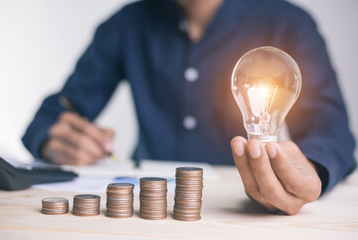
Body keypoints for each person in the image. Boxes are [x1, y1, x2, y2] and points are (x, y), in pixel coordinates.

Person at [22, 0, 356, 215]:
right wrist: (52, 139)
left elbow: (332, 130)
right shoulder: (126, 24)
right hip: (148, 213)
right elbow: (57, 112)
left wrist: (308, 171)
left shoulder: (290, 23)